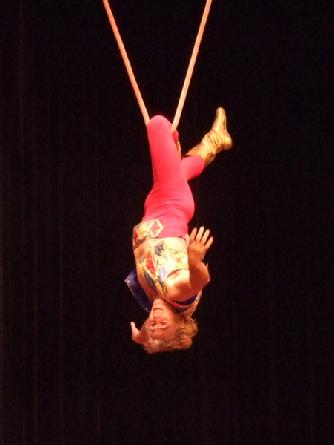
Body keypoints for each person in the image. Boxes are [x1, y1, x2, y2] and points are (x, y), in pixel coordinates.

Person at [125, 107, 232, 353]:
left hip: (154, 208)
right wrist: (194, 259)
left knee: (180, 170)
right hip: (171, 204)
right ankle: (198, 143)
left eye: (153, 324)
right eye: (163, 324)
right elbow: (200, 279)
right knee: (158, 125)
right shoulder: (179, 293)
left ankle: (215, 141)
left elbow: (151, 332)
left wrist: (144, 336)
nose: (155, 319)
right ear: (179, 322)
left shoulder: (157, 301)